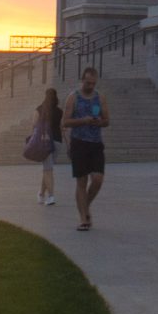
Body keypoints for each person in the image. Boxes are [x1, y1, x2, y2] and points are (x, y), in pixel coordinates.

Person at [66, 66, 108, 232]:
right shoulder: (73, 98)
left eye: (93, 83)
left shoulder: (100, 98)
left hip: (96, 144)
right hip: (79, 143)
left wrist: (100, 122)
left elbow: (107, 120)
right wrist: (83, 120)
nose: (90, 86)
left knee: (97, 179)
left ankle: (85, 205)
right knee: (82, 181)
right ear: (82, 80)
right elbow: (65, 122)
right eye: (88, 83)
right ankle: (84, 219)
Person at [30, 87, 62, 206]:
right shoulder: (59, 111)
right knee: (47, 168)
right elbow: (62, 127)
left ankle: (51, 196)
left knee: (48, 170)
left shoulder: (39, 109)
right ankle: (41, 194)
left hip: (45, 141)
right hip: (58, 142)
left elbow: (34, 125)